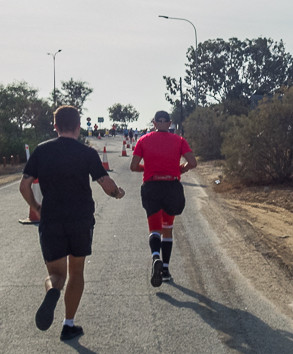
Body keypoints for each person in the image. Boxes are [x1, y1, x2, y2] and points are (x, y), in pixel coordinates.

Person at [20, 105, 125, 341]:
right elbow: (106, 185)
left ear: (55, 126)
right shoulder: (86, 153)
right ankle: (69, 325)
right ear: (78, 126)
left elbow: (24, 186)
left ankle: (51, 291)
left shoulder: (41, 151)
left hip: (52, 220)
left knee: (57, 275)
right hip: (80, 219)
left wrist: (37, 207)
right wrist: (118, 193)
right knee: (76, 271)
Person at [130, 110, 197, 287]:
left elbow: (133, 166)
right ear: (169, 123)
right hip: (171, 186)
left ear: (154, 123)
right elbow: (193, 163)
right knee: (168, 227)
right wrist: (181, 169)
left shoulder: (143, 140)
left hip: (152, 186)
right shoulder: (179, 141)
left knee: (154, 228)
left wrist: (150, 168)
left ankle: (155, 257)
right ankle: (165, 269)